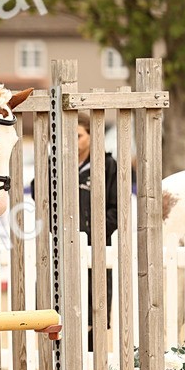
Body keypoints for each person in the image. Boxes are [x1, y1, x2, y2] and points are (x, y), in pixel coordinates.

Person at [75, 117, 118, 350]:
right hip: (67, 248)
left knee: (96, 310)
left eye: (79, 135)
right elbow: (42, 196)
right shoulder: (58, 164)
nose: (74, 141)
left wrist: (96, 234)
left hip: (97, 248)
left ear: (91, 136)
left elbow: (116, 206)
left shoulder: (107, 165)